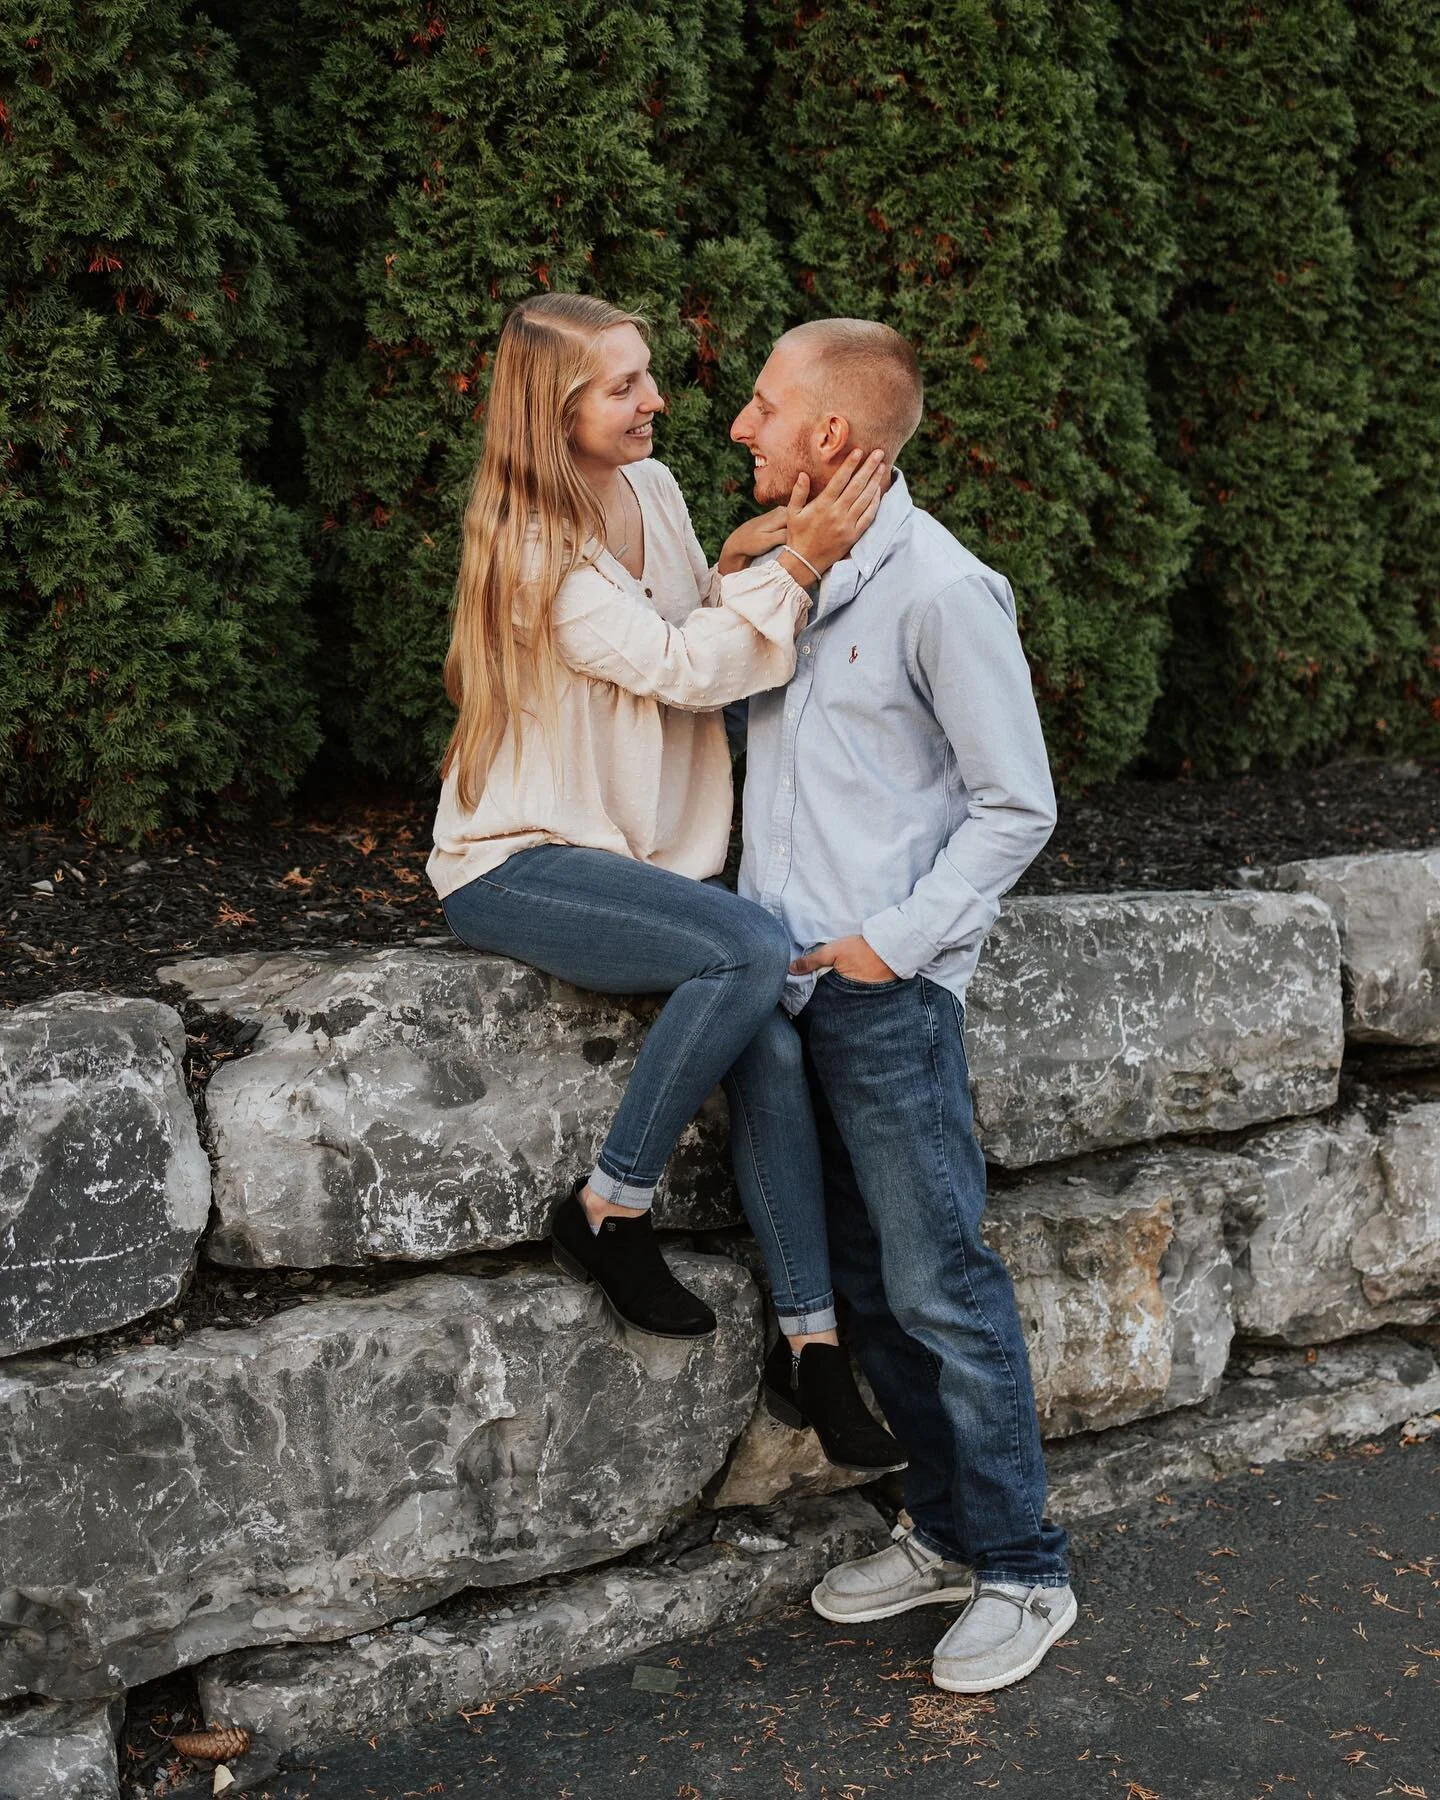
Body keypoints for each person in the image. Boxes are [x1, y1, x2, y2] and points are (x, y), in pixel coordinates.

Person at [426, 292, 903, 1473]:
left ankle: (813, 1347)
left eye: (647, 375)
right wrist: (799, 556)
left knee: (775, 1043)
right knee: (747, 949)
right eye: (623, 387)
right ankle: (609, 1209)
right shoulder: (535, 541)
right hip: (521, 859)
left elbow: (692, 611)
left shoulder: (653, 490)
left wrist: (747, 554)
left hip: (645, 863)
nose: (657, 401)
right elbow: (688, 669)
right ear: (555, 411)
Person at [721, 318, 1075, 1695]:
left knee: (940, 1282)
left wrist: (892, 946)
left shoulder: (941, 590)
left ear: (831, 437)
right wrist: (747, 561)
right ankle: (942, 1530)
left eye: (765, 405)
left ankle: (1026, 1570)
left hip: (882, 999)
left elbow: (1017, 806)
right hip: (784, 997)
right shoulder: (792, 578)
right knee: (869, 1287)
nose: (740, 426)